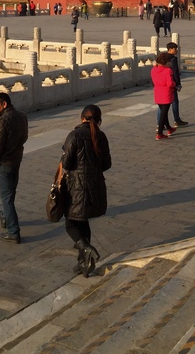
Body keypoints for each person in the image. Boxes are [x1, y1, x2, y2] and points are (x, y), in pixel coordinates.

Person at [59, 104, 111, 277]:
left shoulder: (74, 135)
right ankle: (84, 262)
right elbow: (107, 164)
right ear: (99, 120)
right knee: (83, 221)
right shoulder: (101, 136)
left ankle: (86, 249)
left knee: (70, 223)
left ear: (82, 118)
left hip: (77, 188)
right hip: (95, 187)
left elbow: (66, 164)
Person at [0, 93, 28, 244]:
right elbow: (24, 137)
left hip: (4, 163)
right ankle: (5, 216)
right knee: (10, 193)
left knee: (7, 197)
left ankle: (13, 231)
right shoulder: (22, 116)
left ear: (4, 104)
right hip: (16, 160)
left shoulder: (0, 122)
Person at [150, 51, 178, 140]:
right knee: (163, 113)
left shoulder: (154, 69)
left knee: (163, 112)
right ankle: (160, 133)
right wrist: (174, 84)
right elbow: (170, 83)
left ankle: (169, 128)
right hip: (166, 93)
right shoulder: (168, 70)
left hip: (157, 91)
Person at [164, 43, 188, 128]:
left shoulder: (163, 57)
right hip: (171, 83)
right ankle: (177, 120)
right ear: (170, 49)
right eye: (175, 49)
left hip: (163, 84)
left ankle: (160, 124)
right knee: (174, 102)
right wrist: (178, 84)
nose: (176, 50)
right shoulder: (173, 59)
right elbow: (175, 73)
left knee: (162, 105)